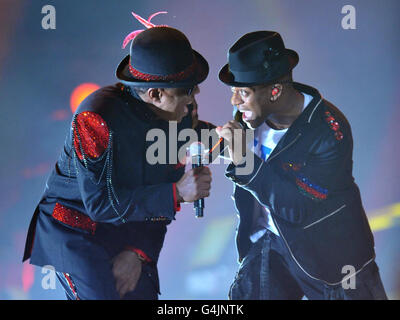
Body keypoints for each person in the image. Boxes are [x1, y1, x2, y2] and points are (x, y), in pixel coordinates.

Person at [22, 13, 212, 300]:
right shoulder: (96, 118)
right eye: (186, 88)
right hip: (75, 228)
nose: (195, 93)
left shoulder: (179, 117)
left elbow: (161, 188)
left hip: (128, 228)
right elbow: (100, 203)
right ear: (156, 94)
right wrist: (177, 193)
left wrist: (138, 251)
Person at [216, 31, 388, 300]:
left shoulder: (328, 131)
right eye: (234, 91)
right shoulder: (250, 115)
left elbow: (298, 208)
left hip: (333, 257)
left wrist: (244, 163)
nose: (234, 101)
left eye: (243, 92)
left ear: (274, 91)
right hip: (272, 244)